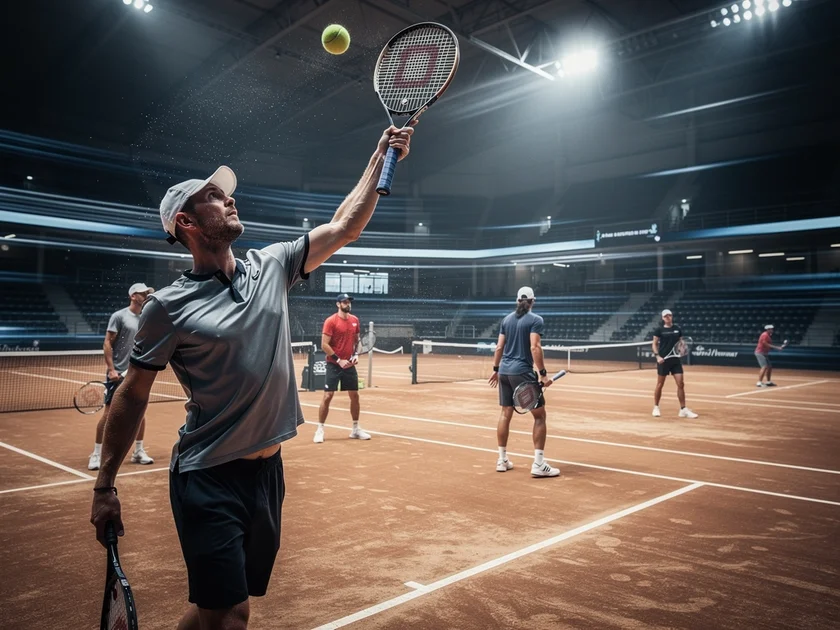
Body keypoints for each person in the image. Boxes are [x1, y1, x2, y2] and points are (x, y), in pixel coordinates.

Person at [90, 124, 414, 630]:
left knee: (216, 608)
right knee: (230, 613)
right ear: (186, 222)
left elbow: (345, 226)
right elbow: (132, 395)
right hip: (208, 475)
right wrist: (105, 486)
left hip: (268, 473)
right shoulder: (166, 307)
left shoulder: (272, 264)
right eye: (214, 198)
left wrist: (378, 158)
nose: (229, 201)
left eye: (227, 194)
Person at [488, 286, 560, 478]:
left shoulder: (506, 320)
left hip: (504, 372)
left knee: (505, 414)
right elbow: (535, 347)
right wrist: (543, 374)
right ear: (532, 301)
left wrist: (496, 370)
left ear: (517, 300)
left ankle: (502, 460)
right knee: (539, 416)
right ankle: (538, 463)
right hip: (522, 373)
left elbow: (498, 347)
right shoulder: (536, 320)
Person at [87, 283, 155, 470]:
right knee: (109, 414)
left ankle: (138, 451)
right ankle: (96, 453)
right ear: (133, 296)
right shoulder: (119, 316)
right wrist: (111, 369)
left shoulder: (146, 317)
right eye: (142, 293)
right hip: (117, 373)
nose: (145, 296)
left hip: (137, 373)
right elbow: (108, 343)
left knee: (140, 413)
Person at [313, 293, 370, 443]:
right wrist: (339, 360)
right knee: (327, 396)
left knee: (355, 396)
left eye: (349, 302)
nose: (348, 304)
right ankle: (320, 429)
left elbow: (357, 341)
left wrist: (356, 354)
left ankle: (355, 429)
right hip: (334, 364)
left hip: (349, 365)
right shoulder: (330, 321)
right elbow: (324, 344)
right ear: (338, 304)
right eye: (344, 302)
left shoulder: (355, 320)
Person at [651, 309, 698, 419]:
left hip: (675, 360)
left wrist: (682, 349)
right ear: (662, 318)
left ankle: (683, 410)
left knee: (680, 384)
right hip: (663, 360)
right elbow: (654, 344)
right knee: (660, 384)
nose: (668, 317)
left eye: (669, 315)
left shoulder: (677, 329)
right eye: (665, 316)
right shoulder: (659, 330)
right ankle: (656, 407)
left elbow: (681, 343)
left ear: (672, 316)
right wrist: (657, 356)